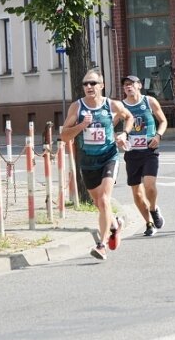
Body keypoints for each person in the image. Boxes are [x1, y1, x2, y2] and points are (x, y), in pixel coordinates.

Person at [61, 70, 134, 260]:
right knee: (98, 203)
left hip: (109, 157)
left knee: (103, 199)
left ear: (101, 86)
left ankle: (101, 245)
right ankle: (115, 224)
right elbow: (64, 135)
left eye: (93, 83)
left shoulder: (112, 105)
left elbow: (129, 117)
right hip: (87, 161)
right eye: (85, 84)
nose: (88, 87)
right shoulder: (77, 108)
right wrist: (81, 126)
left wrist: (124, 134)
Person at [121, 75, 168, 237]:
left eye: (131, 84)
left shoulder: (149, 101)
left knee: (149, 185)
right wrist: (118, 137)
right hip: (132, 151)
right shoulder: (121, 106)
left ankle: (154, 208)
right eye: (125, 85)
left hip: (149, 149)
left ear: (139, 85)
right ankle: (148, 223)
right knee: (137, 192)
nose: (128, 87)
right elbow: (109, 125)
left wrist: (158, 136)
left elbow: (163, 121)